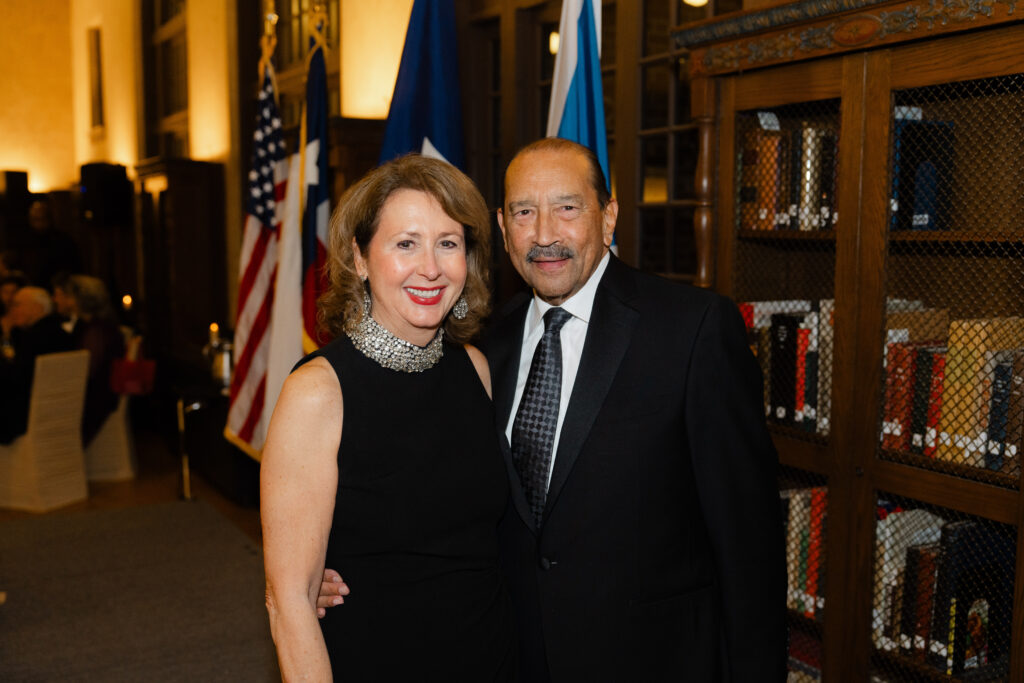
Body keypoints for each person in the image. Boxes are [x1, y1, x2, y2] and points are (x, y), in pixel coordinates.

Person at [320, 138, 788, 681]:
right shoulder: (481, 347)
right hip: (512, 655)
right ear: (502, 227)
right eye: (524, 212)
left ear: (608, 217)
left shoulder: (693, 329)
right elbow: (435, 492)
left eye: (567, 208)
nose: (544, 235)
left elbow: (748, 542)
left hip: (655, 660)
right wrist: (333, 566)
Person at [260, 154, 516, 681]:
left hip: (490, 658)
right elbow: (289, 602)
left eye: (448, 243)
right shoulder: (318, 393)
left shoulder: (474, 369)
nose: (431, 267)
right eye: (405, 244)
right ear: (360, 258)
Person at [0, 286, 74, 443]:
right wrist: (7, 336)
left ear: (37, 308)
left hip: (27, 415)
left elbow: (16, 377)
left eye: (17, 304)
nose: (12, 310)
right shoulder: (57, 332)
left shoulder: (36, 337)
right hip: (58, 412)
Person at [63, 275, 125, 446]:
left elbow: (87, 371)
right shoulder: (96, 325)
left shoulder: (96, 331)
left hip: (96, 400)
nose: (65, 301)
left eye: (69, 297)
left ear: (80, 301)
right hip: (99, 394)